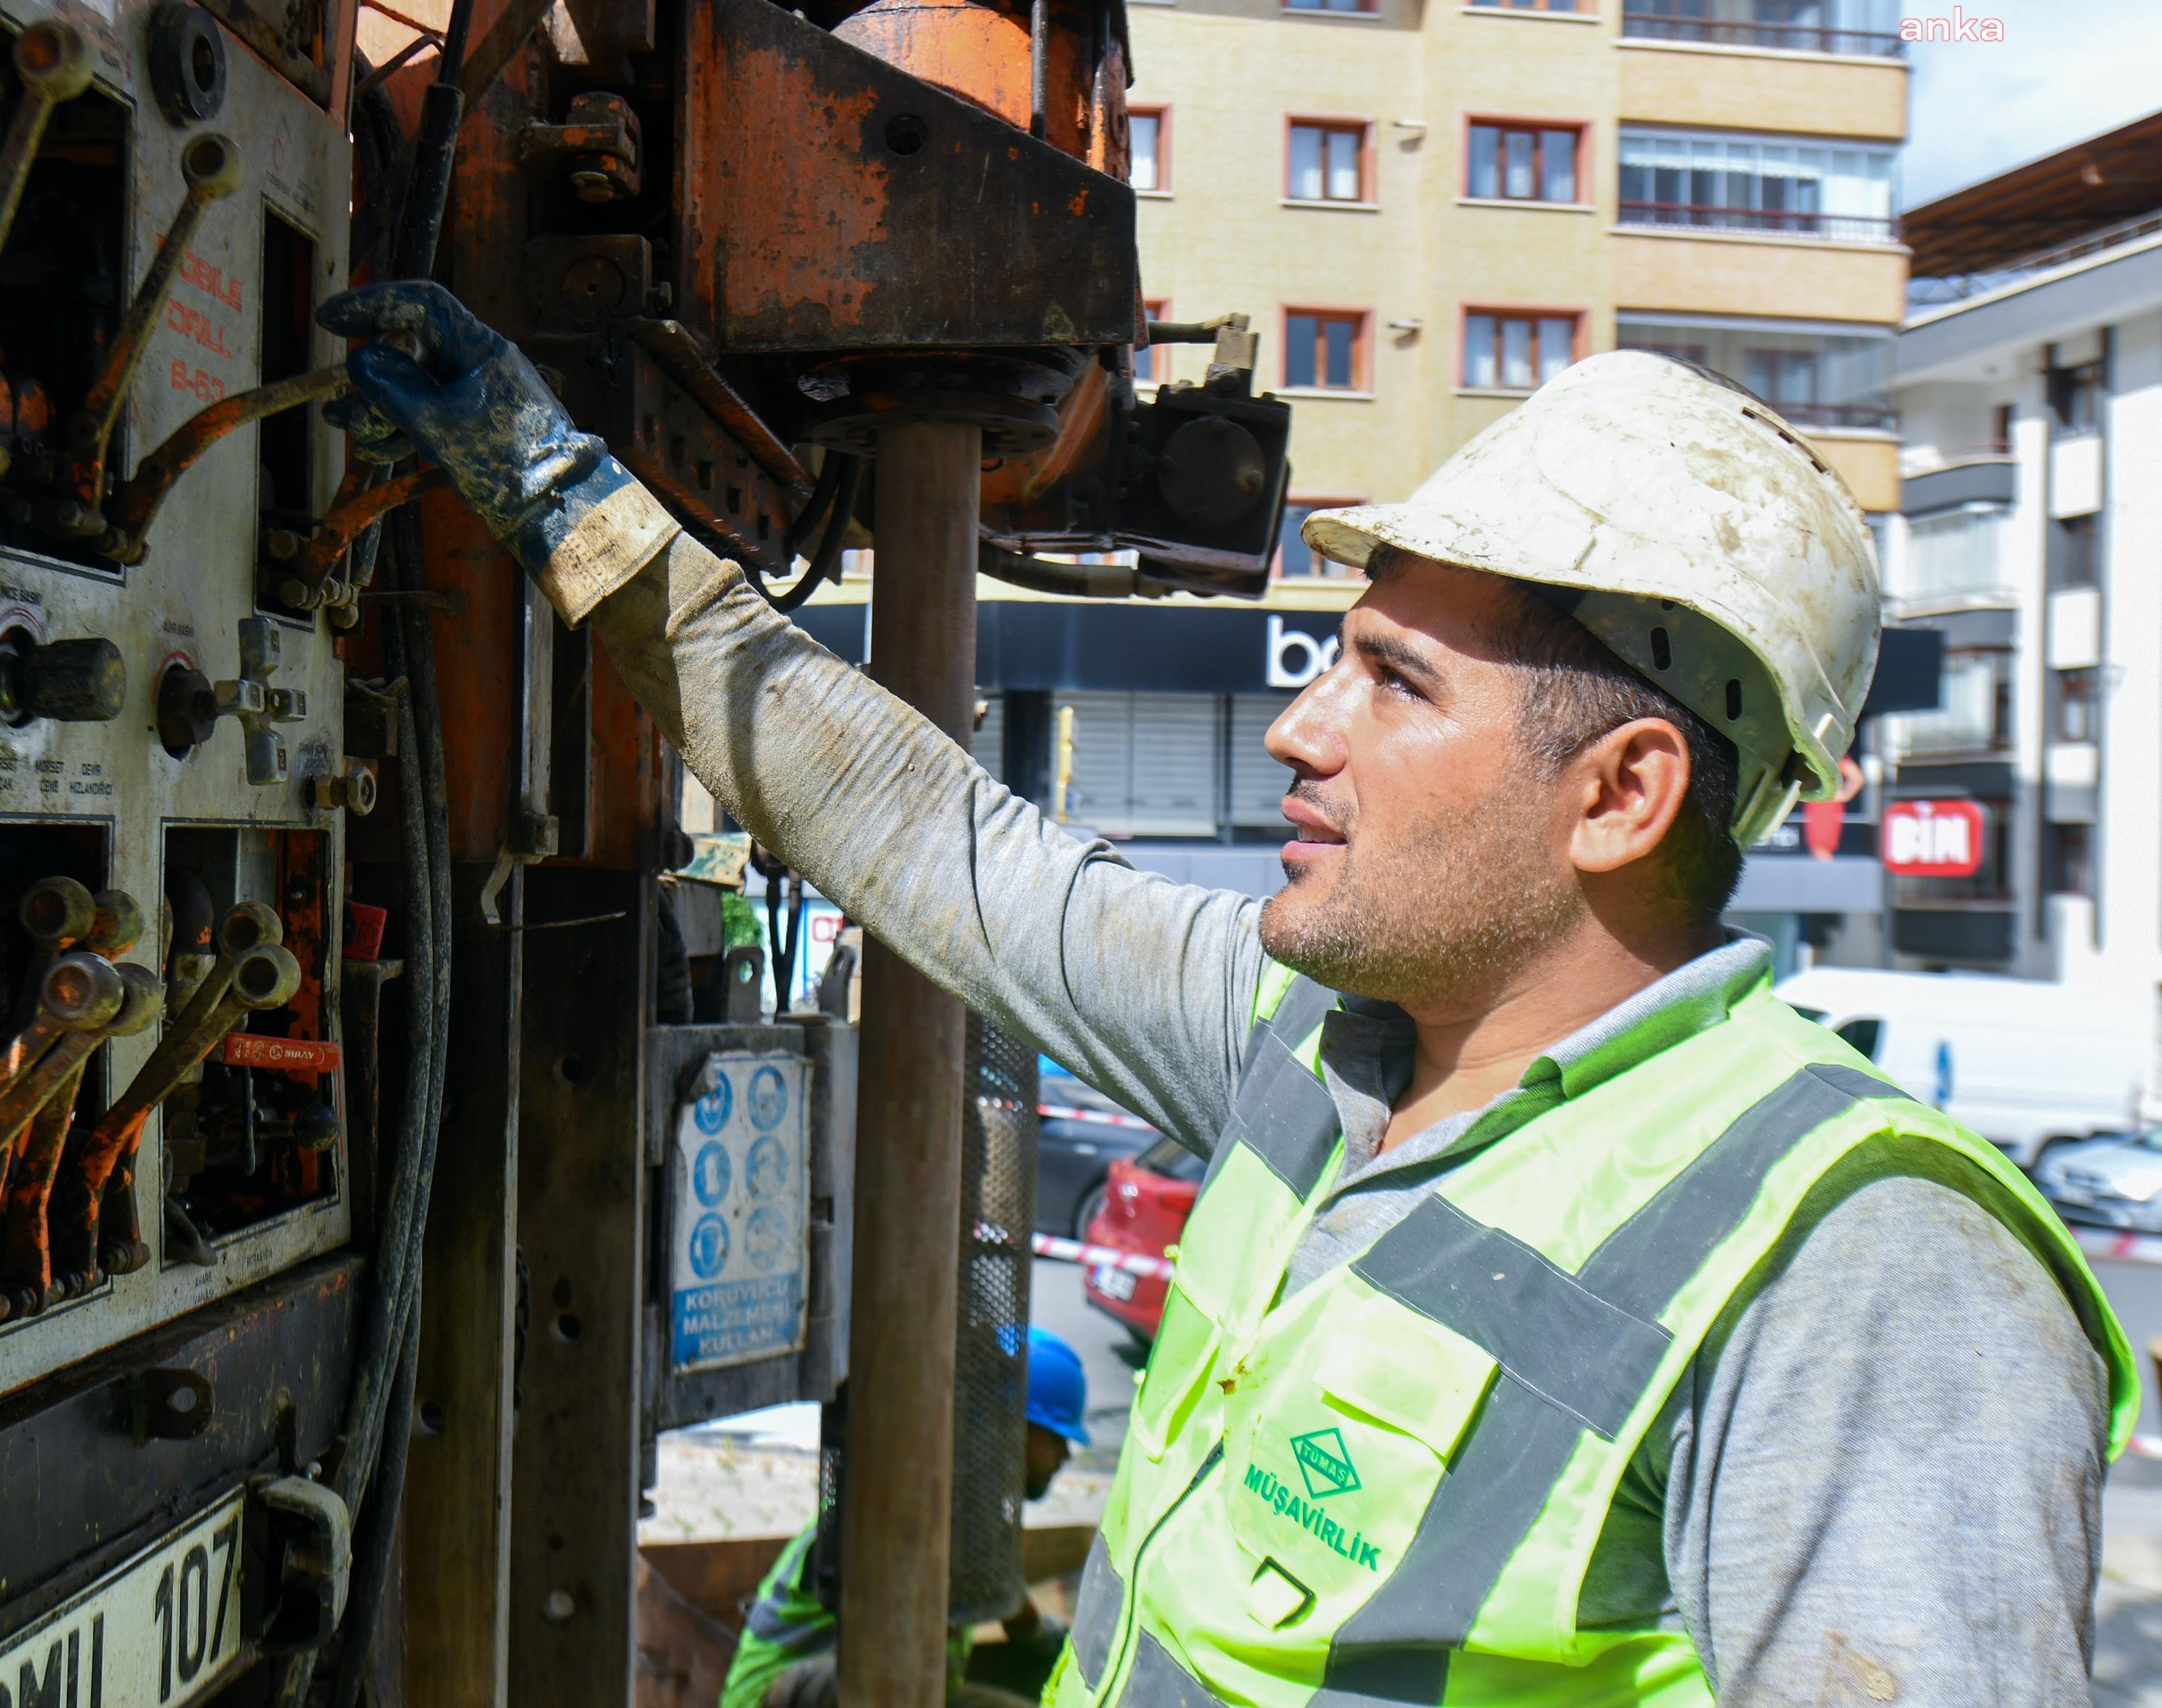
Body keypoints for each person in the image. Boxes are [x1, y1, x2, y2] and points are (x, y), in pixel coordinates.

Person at [321, 281, 2136, 1706]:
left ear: (1620, 793)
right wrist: (558, 497)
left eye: (1391, 683)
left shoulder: (1862, 1265)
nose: (1295, 727)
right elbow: (933, 839)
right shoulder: (1314, 1048)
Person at [722, 1327, 1094, 1708]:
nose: (1064, 1456)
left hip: (895, 1691)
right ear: (1009, 1428)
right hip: (779, 1694)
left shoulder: (972, 1517)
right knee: (896, 1681)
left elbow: (1020, 1617)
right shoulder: (912, 1504)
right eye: (1055, 1438)